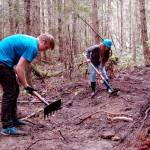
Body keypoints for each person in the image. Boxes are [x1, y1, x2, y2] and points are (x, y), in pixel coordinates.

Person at [0, 33, 55, 135]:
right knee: (10, 93)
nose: (44, 50)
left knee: (15, 90)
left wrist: (26, 85)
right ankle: (7, 126)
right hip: (2, 63)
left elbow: (19, 67)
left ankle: (13, 120)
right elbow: (19, 68)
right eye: (46, 47)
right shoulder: (33, 47)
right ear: (43, 41)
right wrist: (26, 86)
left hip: (5, 62)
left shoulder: (31, 42)